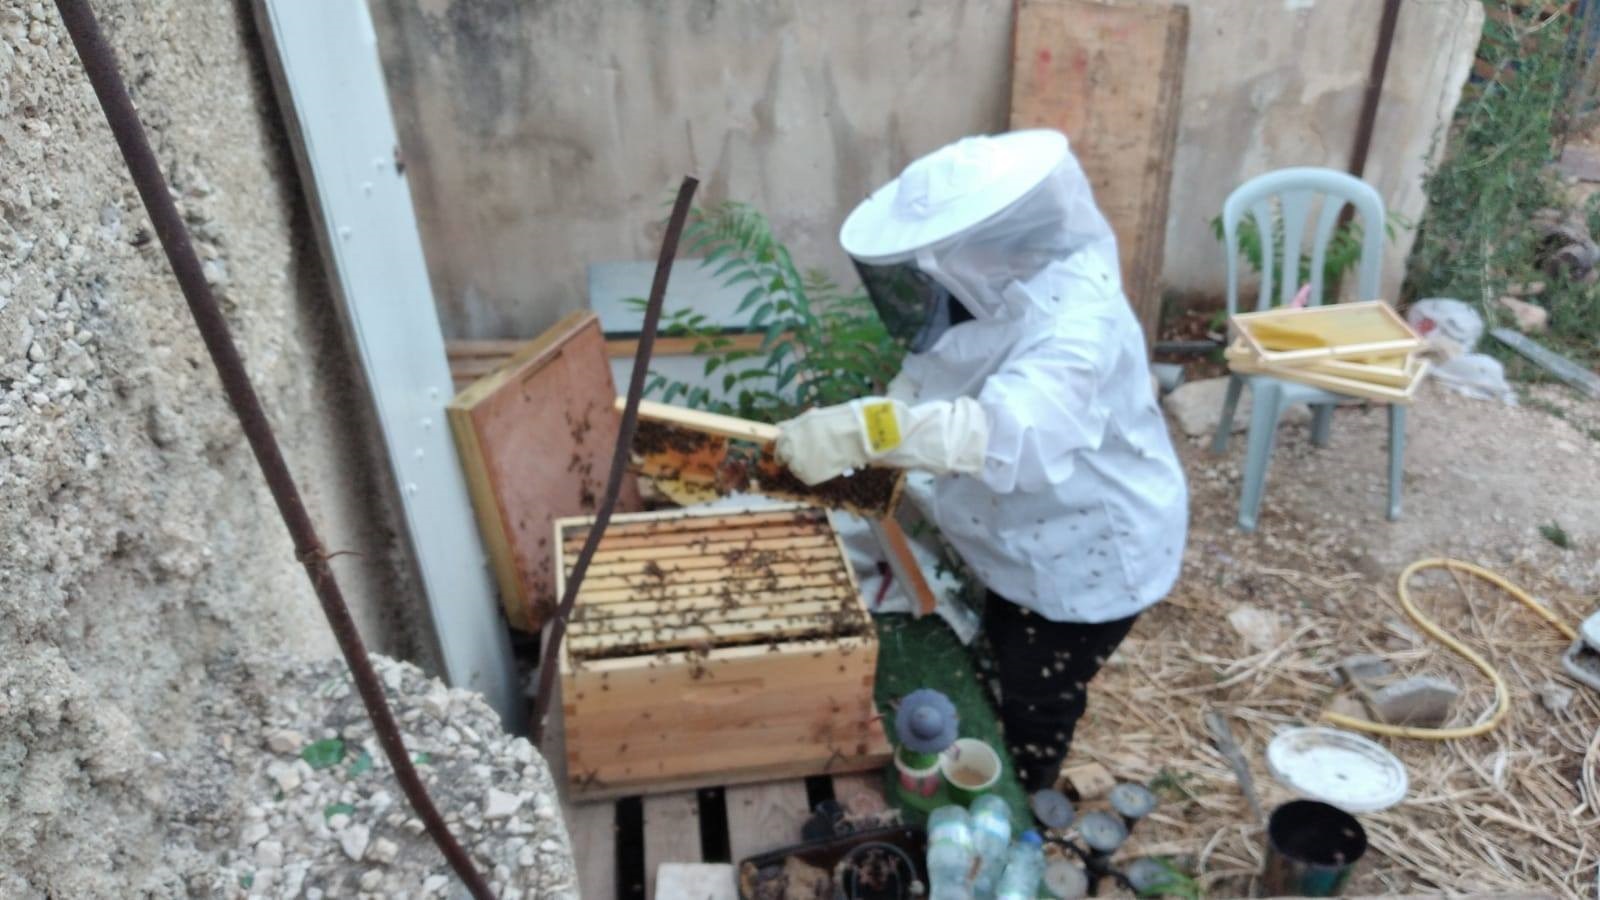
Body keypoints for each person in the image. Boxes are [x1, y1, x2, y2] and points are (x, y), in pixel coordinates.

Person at [775, 129, 1188, 791]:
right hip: (1024, 533)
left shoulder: (1078, 325)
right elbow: (928, 381)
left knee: (1038, 691)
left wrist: (868, 431)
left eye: (923, 264)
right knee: (1004, 647)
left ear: (971, 251)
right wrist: (871, 429)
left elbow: (1003, 435)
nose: (913, 283)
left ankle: (1026, 799)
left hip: (1087, 559)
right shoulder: (988, 289)